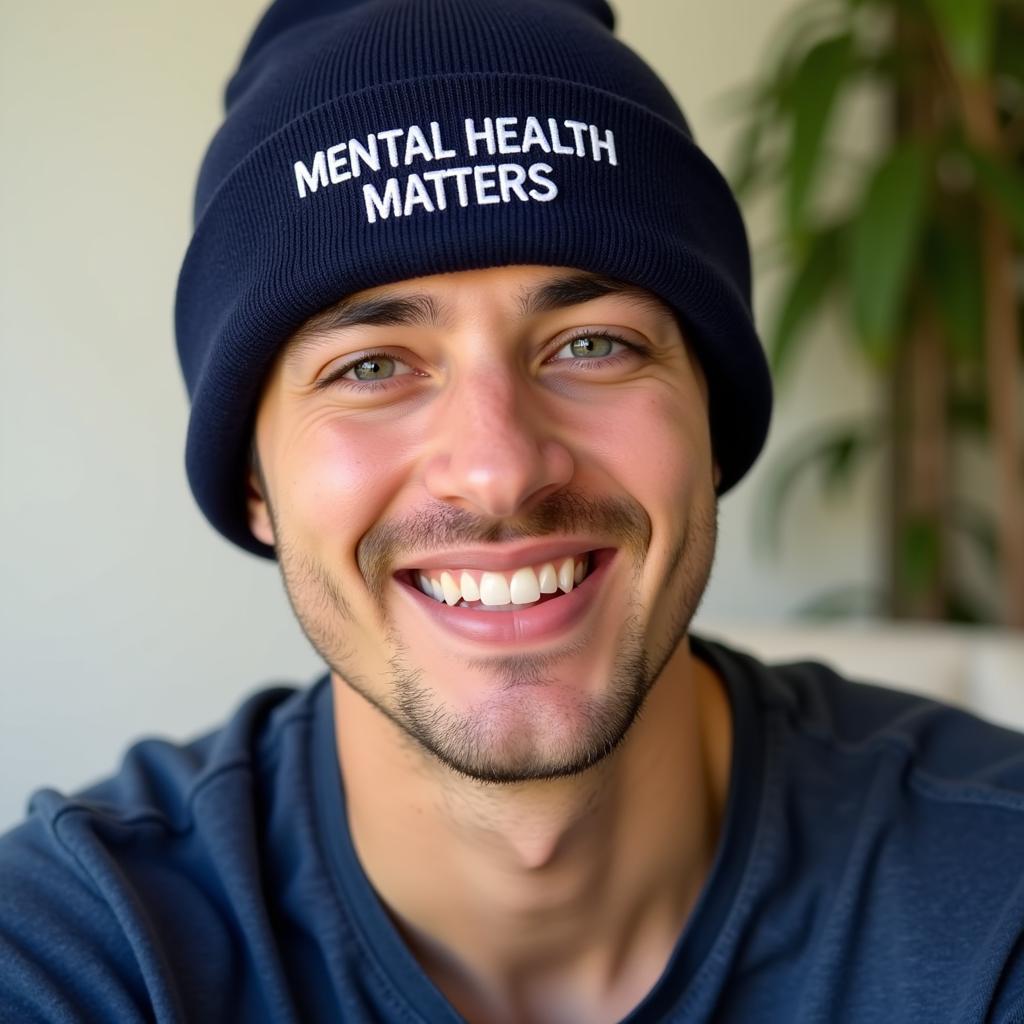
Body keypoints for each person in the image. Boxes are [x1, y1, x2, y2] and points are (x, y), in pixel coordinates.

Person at [3, 0, 1024, 1021]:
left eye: (592, 344)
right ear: (253, 481)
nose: (498, 472)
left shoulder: (991, 891)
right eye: (370, 366)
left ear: (711, 423)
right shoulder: (87, 952)